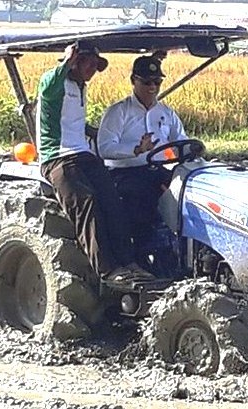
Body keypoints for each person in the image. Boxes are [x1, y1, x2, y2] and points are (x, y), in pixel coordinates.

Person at [37, 42, 154, 282]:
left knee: (113, 201)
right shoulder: (54, 84)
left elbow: (74, 123)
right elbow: (48, 88)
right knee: (86, 202)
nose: (92, 70)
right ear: (75, 61)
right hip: (58, 157)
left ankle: (129, 262)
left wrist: (102, 133)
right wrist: (66, 62)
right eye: (89, 63)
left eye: (95, 65)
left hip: (84, 154)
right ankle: (107, 270)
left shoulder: (81, 87)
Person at [97, 55, 195, 237]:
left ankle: (186, 242)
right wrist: (136, 150)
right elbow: (105, 148)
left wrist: (193, 151)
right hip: (125, 173)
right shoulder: (118, 112)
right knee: (143, 197)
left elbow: (180, 141)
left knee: (189, 190)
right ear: (134, 81)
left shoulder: (166, 113)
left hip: (157, 170)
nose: (153, 87)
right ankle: (141, 251)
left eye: (157, 82)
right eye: (147, 82)